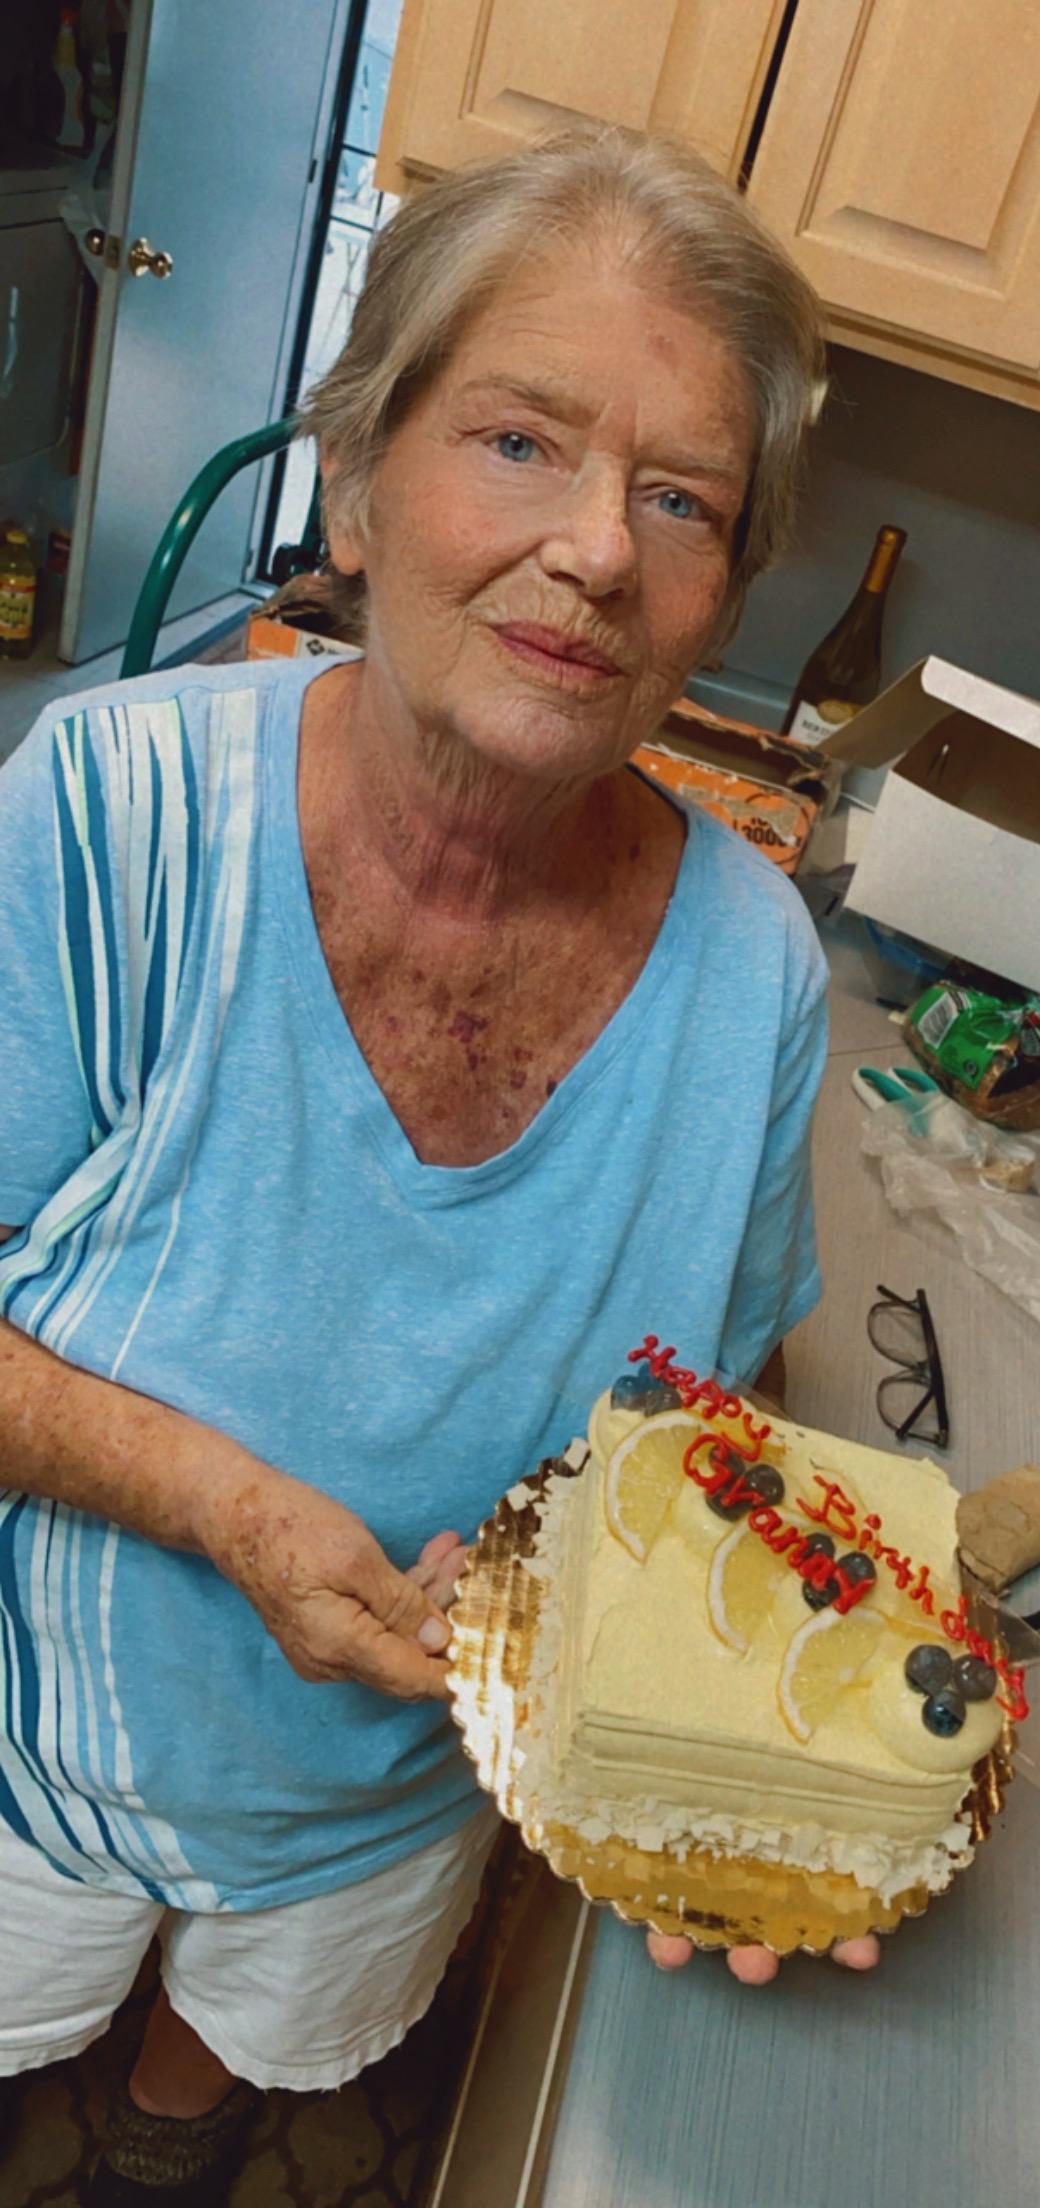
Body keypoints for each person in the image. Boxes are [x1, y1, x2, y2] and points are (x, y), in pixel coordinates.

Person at [0, 123, 876, 2205]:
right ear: (357, 473)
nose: (594, 550)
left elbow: (693, 1438)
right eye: (519, 440)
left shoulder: (755, 970)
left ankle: (159, 2135)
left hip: (393, 1797)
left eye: (680, 500)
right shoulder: (108, 814)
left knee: (216, 2076)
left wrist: (730, 1753)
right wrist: (221, 1506)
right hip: (40, 1729)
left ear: (720, 597)